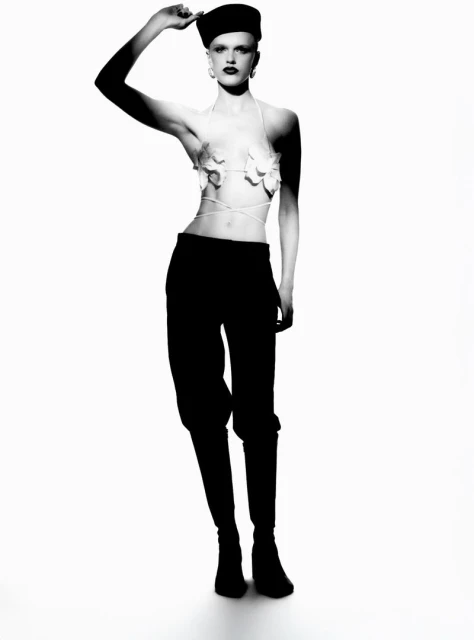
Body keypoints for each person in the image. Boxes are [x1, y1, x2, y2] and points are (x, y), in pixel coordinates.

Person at [94, 3, 300, 599]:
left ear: (257, 55)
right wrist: (156, 27)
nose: (231, 57)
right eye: (219, 49)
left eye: (241, 47)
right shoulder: (191, 122)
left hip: (251, 271)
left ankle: (266, 544)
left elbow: (290, 204)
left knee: (256, 417)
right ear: (208, 61)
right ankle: (227, 543)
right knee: (203, 410)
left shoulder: (284, 122)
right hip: (194, 269)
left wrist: (287, 283)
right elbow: (109, 84)